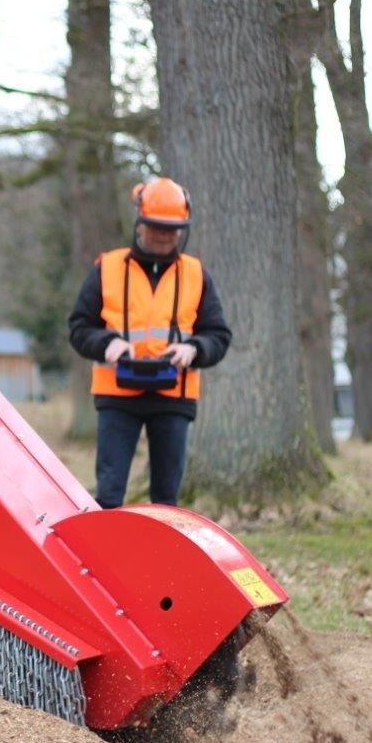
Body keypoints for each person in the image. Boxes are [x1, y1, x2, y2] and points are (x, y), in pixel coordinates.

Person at [67, 177, 231, 509]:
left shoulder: (196, 274)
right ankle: (104, 557)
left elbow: (218, 336)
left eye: (172, 229)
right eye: (156, 227)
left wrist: (194, 349)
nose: (163, 235)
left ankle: (160, 559)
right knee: (110, 492)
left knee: (166, 498)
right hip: (117, 394)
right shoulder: (107, 267)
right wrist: (106, 343)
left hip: (174, 396)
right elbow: (79, 327)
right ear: (139, 224)